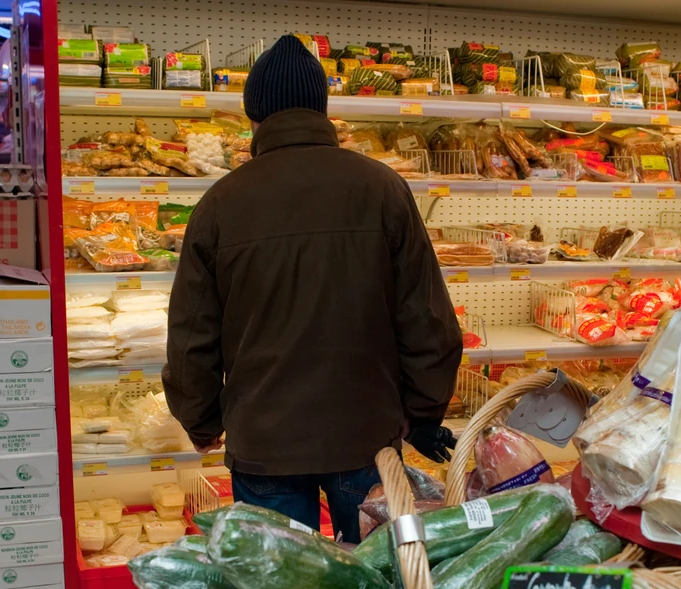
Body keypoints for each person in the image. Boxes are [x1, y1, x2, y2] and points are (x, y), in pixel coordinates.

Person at [164, 35, 462, 544]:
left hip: (264, 443)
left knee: (283, 581)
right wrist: (423, 411)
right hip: (364, 437)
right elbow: (427, 319)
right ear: (322, 109)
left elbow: (192, 336)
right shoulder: (382, 188)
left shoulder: (220, 203)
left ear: (253, 114)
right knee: (373, 577)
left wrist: (202, 420)